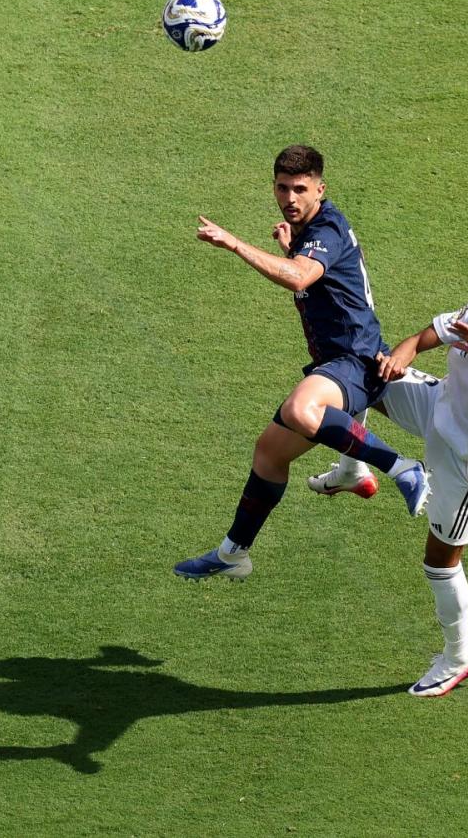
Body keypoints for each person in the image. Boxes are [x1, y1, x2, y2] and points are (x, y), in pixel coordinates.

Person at [308, 265, 468, 696]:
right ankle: (354, 470)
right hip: (433, 405)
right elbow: (425, 336)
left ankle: (460, 655)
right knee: (361, 371)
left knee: (439, 563)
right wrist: (401, 355)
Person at [173, 145, 429, 581]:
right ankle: (234, 553)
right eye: (281, 188)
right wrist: (291, 250)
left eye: (300, 189)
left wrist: (235, 244)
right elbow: (310, 274)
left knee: (300, 410)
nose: (289, 198)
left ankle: (404, 468)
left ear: (320, 189)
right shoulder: (309, 231)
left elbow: (301, 276)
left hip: (357, 361)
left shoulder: (326, 229)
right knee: (269, 454)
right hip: (336, 361)